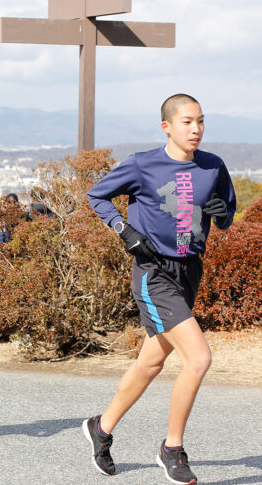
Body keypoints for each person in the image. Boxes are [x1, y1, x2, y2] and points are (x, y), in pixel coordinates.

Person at [83, 94, 236, 485]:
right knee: (198, 358)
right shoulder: (143, 164)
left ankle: (101, 427)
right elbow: (96, 196)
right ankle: (172, 448)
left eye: (201, 121)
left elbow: (225, 216)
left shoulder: (213, 166)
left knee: (150, 363)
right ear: (167, 126)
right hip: (153, 273)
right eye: (187, 122)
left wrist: (223, 216)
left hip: (190, 272)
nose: (196, 129)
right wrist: (125, 231)